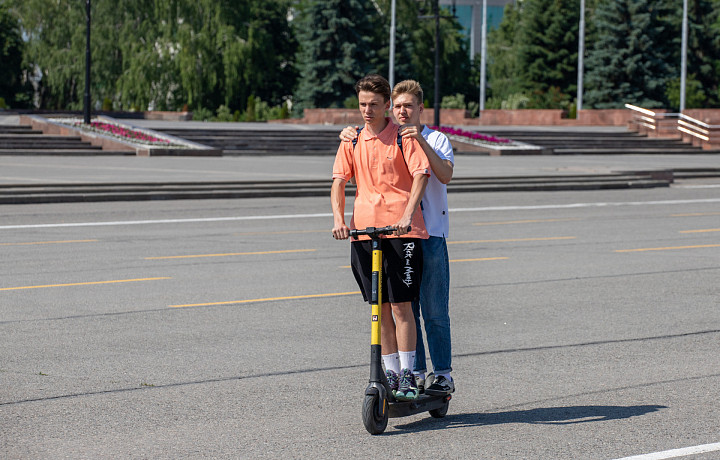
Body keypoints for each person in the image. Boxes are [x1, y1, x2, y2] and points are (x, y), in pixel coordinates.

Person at [339, 79, 455, 396]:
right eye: (399, 105)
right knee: (404, 308)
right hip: (399, 236)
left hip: (431, 234)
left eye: (409, 106)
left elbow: (444, 175)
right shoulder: (390, 138)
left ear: (420, 108)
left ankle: (442, 373)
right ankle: (412, 373)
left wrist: (421, 141)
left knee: (433, 311)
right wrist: (351, 134)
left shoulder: (435, 138)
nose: (403, 111)